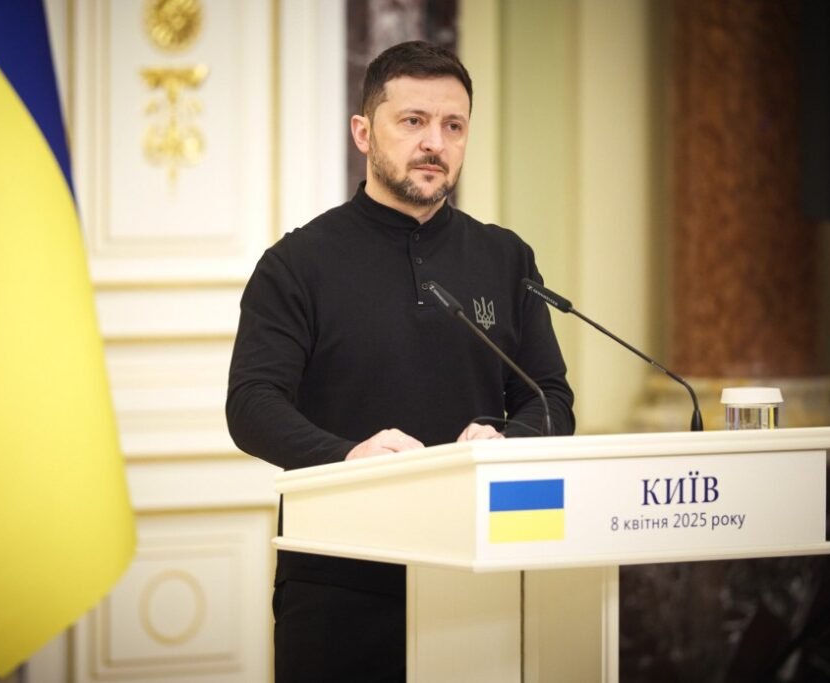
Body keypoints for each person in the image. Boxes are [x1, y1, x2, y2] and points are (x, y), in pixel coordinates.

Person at [226, 40, 574, 682]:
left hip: (484, 566)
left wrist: (509, 443)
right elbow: (251, 406)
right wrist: (349, 458)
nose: (434, 143)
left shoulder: (505, 258)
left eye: (453, 126)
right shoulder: (296, 264)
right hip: (339, 579)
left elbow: (549, 397)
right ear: (364, 132)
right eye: (413, 121)